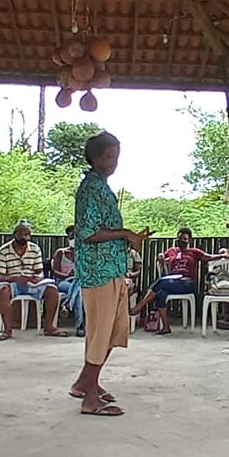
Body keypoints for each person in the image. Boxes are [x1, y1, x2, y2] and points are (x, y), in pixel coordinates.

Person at [71, 131, 152, 417]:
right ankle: (90, 399)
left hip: (113, 269)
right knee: (100, 333)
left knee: (113, 332)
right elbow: (88, 233)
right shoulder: (90, 189)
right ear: (95, 158)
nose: (113, 162)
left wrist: (128, 239)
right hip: (98, 271)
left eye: (116, 157)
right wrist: (126, 234)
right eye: (108, 157)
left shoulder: (102, 188)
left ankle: (85, 382)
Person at [134, 227, 219, 336]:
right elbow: (162, 257)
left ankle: (139, 307)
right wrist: (161, 256)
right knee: (160, 294)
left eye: (184, 239)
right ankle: (166, 327)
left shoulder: (194, 252)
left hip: (187, 283)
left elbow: (209, 257)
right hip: (172, 281)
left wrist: (224, 255)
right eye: (179, 238)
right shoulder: (172, 250)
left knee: (161, 282)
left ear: (189, 240)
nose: (182, 241)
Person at [0, 220, 65, 340]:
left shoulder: (35, 249)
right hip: (12, 283)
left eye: (26, 234)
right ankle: (7, 330)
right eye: (20, 234)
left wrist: (38, 278)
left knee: (52, 290)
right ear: (14, 235)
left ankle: (49, 327)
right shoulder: (3, 251)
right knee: (3, 291)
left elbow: (39, 271)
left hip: (31, 283)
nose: (24, 237)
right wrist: (15, 278)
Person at [53, 225, 86, 338]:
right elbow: (55, 271)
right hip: (64, 282)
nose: (74, 238)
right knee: (79, 291)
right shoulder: (60, 253)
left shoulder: (84, 254)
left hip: (80, 282)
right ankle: (80, 325)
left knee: (79, 291)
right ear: (68, 238)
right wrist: (66, 275)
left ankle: (66, 305)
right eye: (72, 236)